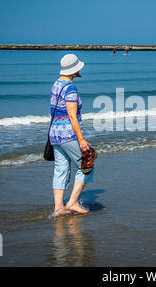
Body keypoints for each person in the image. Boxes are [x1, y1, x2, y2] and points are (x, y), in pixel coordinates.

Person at [49, 54, 94, 217]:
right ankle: (72, 202)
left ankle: (58, 208)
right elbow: (72, 116)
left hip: (54, 134)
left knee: (61, 169)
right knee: (87, 166)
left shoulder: (56, 84)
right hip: (68, 135)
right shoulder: (70, 88)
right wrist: (81, 140)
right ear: (75, 70)